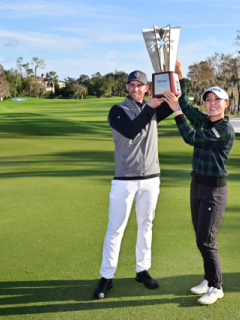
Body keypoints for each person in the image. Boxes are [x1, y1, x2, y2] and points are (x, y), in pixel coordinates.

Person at [93, 70, 172, 299]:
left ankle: (142, 269)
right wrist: (151, 108)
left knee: (145, 225)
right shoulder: (117, 110)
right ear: (126, 88)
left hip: (151, 178)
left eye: (141, 85)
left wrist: (178, 75)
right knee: (115, 229)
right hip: (124, 179)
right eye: (132, 85)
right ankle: (106, 277)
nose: (136, 88)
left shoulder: (154, 108)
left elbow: (179, 99)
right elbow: (130, 130)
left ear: (147, 88)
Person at [162, 61, 235, 305]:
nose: (212, 104)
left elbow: (190, 136)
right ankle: (207, 278)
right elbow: (185, 105)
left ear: (226, 104)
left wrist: (176, 112)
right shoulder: (206, 121)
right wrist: (181, 78)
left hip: (214, 190)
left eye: (217, 100)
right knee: (200, 236)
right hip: (197, 185)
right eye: (208, 100)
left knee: (207, 239)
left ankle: (217, 286)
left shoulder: (224, 129)